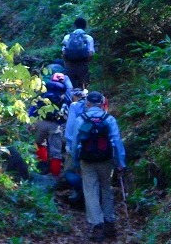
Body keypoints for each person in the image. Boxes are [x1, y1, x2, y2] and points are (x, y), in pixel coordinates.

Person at [70, 91, 126, 242]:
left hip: (87, 161)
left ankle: (97, 225)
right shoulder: (109, 119)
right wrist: (121, 162)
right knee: (106, 188)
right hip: (106, 160)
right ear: (102, 103)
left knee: (90, 191)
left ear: (87, 103)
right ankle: (109, 222)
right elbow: (117, 141)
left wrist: (75, 162)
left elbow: (75, 142)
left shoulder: (80, 119)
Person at [61, 17, 95, 88]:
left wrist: (67, 63)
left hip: (70, 65)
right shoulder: (89, 38)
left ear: (74, 26)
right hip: (82, 65)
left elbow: (64, 53)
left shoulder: (67, 37)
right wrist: (85, 62)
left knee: (70, 86)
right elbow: (90, 54)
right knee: (82, 87)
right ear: (85, 26)